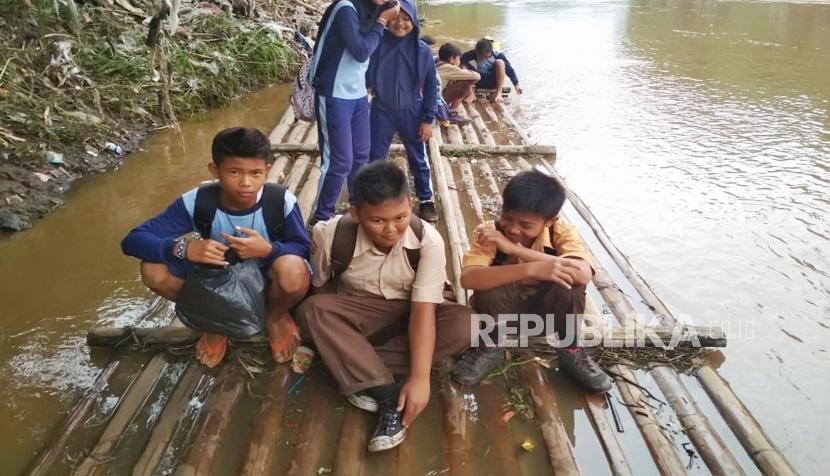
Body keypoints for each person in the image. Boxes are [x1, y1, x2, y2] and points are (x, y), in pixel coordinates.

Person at [297, 160, 472, 452]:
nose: (391, 229)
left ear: (411, 204)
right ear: (355, 212)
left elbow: (424, 312)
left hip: (413, 313)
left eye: (400, 217)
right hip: (360, 316)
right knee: (313, 310)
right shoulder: (330, 234)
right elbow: (322, 289)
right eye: (378, 220)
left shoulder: (427, 240)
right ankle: (387, 394)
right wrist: (321, 326)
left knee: (465, 324)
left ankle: (353, 367)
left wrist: (419, 381)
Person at [121, 127, 311, 367]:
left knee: (293, 269)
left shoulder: (280, 201)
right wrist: (184, 249)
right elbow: (132, 240)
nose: (246, 183)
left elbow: (303, 248)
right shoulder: (197, 201)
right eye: (234, 172)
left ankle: (275, 316)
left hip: (266, 278)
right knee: (153, 270)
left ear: (267, 171)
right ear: (215, 170)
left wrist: (268, 250)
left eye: (255, 173)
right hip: (217, 280)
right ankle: (214, 322)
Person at [450, 169, 612, 393]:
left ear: (550, 220)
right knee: (487, 282)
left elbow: (583, 274)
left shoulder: (560, 230)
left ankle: (571, 349)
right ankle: (490, 345)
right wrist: (531, 269)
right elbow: (468, 279)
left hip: (547, 319)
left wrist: (514, 250)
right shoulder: (490, 232)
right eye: (507, 218)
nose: (514, 229)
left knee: (572, 283)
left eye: (526, 225)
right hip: (501, 318)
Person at [310, 0, 401, 224]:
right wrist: (383, 21)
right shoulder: (346, 8)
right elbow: (360, 50)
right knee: (339, 161)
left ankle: (356, 207)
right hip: (334, 93)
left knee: (361, 156)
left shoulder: (369, 10)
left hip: (358, 95)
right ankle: (322, 216)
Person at [366, 0, 439, 222]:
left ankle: (426, 200)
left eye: (407, 18)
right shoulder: (376, 45)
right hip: (381, 109)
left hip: (413, 111)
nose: (400, 23)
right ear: (386, 19)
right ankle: (375, 197)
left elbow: (431, 88)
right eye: (395, 17)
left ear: (415, 21)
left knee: (418, 157)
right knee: (375, 157)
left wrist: (428, 119)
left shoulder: (423, 51)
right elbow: (363, 77)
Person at [461, 38, 522, 104]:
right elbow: (461, 59)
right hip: (479, 80)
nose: (483, 58)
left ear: (490, 51)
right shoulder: (475, 53)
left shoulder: (498, 55)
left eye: (485, 56)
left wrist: (516, 85)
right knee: (463, 65)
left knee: (500, 62)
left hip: (493, 81)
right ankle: (471, 94)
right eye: (481, 56)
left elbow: (510, 70)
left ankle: (498, 94)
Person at [437, 43, 480, 121]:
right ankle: (452, 110)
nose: (459, 61)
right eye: (458, 59)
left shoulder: (437, 63)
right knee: (465, 82)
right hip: (437, 101)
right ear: (452, 59)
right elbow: (477, 76)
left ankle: (448, 110)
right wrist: (463, 70)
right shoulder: (448, 67)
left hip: (431, 98)